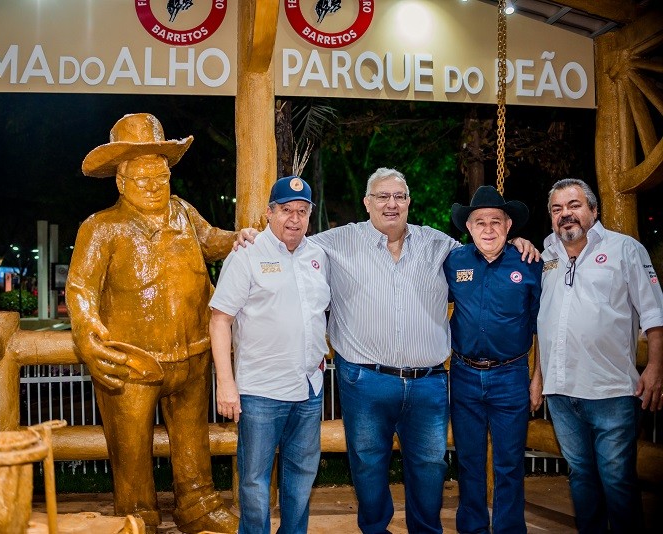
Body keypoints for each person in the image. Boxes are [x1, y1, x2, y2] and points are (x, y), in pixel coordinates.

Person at [237, 167, 538, 533]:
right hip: (364, 381)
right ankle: (375, 529)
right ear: (367, 202)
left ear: (409, 202)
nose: (391, 204)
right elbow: (290, 238)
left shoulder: (441, 246)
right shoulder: (333, 243)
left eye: (399, 196)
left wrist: (520, 243)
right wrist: (254, 236)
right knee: (366, 465)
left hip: (428, 384)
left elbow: (487, 249)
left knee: (430, 467)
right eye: (382, 196)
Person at [66, 113, 239, 534]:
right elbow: (80, 289)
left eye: (160, 176)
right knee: (130, 447)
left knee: (192, 437)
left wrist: (242, 238)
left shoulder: (182, 212)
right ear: (121, 182)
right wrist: (89, 336)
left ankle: (197, 504)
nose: (154, 186)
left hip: (192, 354)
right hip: (132, 363)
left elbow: (212, 240)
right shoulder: (101, 227)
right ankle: (137, 513)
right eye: (142, 179)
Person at [534, 178, 663, 534]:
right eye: (557, 209)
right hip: (561, 392)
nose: (565, 215)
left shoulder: (626, 249)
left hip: (611, 391)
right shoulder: (546, 256)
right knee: (580, 476)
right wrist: (539, 378)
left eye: (574, 205)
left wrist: (655, 367)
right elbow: (541, 321)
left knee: (617, 481)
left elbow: (654, 313)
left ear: (594, 210)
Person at [209, 176, 330, 534]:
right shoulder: (246, 254)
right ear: (268, 213)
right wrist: (226, 384)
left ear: (310, 214)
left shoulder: (318, 255)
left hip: (309, 388)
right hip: (260, 390)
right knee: (254, 483)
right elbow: (219, 321)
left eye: (302, 211)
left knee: (302, 477)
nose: (294, 219)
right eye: (286, 211)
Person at [444, 186, 542, 534]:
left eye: (495, 222)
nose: (488, 229)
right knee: (469, 461)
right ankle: (472, 527)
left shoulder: (530, 262)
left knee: (509, 462)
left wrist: (537, 376)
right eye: (480, 222)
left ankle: (509, 529)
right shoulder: (454, 261)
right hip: (465, 374)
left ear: (509, 225)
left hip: (511, 374)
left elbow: (540, 324)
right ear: (468, 227)